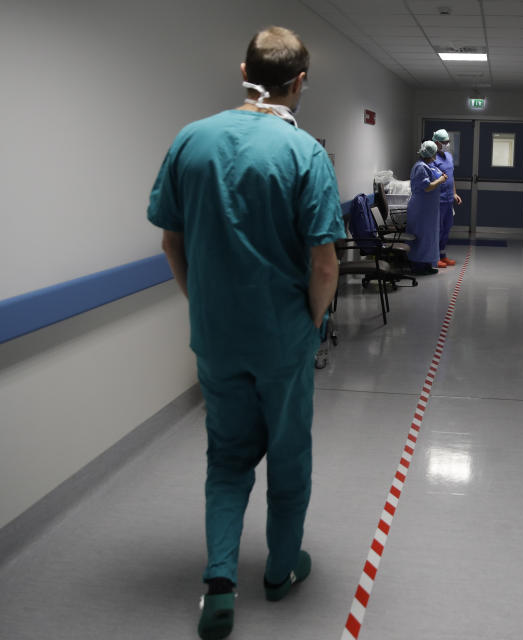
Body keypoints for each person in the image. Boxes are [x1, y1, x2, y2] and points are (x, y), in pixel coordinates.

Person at [146, 26, 344, 640]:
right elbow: (325, 264)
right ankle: (281, 571)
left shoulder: (190, 141)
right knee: (289, 457)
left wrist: (201, 306)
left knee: (227, 460)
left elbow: (171, 242)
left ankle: (220, 584)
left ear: (242, 71)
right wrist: (310, 324)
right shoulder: (304, 153)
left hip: (216, 336)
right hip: (282, 337)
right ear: (301, 81)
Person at [405, 140, 448, 275]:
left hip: (429, 210)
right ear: (431, 153)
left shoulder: (428, 166)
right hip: (421, 209)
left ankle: (427, 263)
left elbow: (434, 176)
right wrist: (440, 180)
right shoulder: (420, 167)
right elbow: (428, 187)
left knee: (430, 237)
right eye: (435, 153)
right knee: (421, 237)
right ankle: (418, 266)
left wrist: (441, 176)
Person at [431, 129, 462, 268]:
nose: (447, 144)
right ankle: (435, 257)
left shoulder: (448, 156)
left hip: (449, 200)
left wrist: (454, 193)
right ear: (436, 143)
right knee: (437, 229)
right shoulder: (431, 158)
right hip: (438, 200)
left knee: (446, 228)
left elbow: (451, 177)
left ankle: (443, 255)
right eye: (444, 142)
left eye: (448, 141)